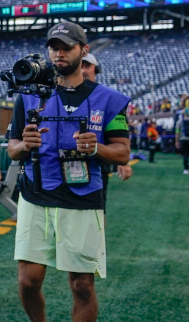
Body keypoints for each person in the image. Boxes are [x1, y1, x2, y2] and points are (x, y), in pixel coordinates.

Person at [7, 21, 131, 322]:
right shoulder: (27, 96)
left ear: (83, 50)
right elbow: (12, 149)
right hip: (36, 193)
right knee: (28, 281)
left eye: (67, 47)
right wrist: (24, 144)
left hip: (82, 197)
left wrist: (96, 149)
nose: (59, 53)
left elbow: (123, 152)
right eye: (54, 48)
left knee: (82, 285)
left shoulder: (108, 100)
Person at [81, 54, 132, 182]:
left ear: (96, 69)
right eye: (80, 66)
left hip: (97, 167)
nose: (83, 70)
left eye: (87, 66)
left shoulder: (108, 98)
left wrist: (123, 162)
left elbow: (118, 138)